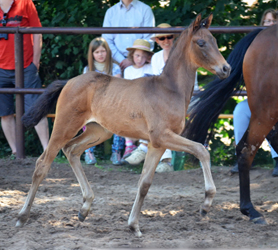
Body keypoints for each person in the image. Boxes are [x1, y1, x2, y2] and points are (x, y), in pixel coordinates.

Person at [125, 23, 199, 173]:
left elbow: (185, 86)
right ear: (157, 41)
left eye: (169, 37)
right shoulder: (157, 58)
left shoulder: (184, 55)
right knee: (153, 111)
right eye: (161, 38)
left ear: (173, 38)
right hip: (166, 99)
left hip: (185, 98)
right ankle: (157, 155)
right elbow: (158, 84)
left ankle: (147, 148)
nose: (166, 41)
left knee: (159, 115)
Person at [231, 8, 278, 176]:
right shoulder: (256, 48)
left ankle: (276, 159)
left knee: (270, 115)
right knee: (240, 111)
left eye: (274, 21)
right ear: (262, 24)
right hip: (259, 102)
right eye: (267, 21)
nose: (271, 24)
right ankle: (242, 156)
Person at [0, 0, 49, 157]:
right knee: (5, 113)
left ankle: (47, 151)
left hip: (26, 66)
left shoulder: (26, 3)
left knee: (36, 109)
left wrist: (35, 63)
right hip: (1, 68)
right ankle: (16, 153)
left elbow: (37, 32)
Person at [82, 37, 122, 165]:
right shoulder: (87, 70)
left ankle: (116, 152)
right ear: (92, 54)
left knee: (120, 120)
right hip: (94, 106)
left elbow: (116, 88)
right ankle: (88, 151)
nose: (100, 55)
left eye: (103, 51)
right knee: (87, 119)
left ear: (108, 52)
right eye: (97, 52)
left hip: (112, 105)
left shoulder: (115, 68)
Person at [120, 39, 154, 162]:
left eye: (143, 56)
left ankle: (143, 146)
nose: (139, 59)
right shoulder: (128, 70)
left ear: (148, 58)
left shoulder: (150, 68)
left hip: (147, 101)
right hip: (132, 100)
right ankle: (129, 145)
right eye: (137, 55)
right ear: (132, 55)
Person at [102, 0, 155, 72]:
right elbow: (106, 40)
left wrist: (133, 59)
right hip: (116, 63)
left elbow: (149, 39)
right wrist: (121, 60)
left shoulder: (145, 10)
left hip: (140, 62)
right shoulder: (110, 12)